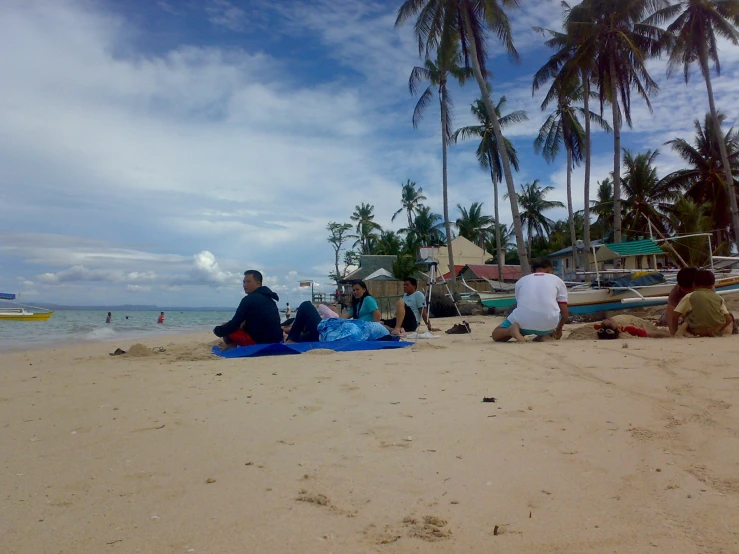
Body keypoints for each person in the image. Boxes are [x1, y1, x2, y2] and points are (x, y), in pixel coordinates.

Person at [492, 258, 568, 343]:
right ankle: (546, 334)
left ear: (533, 270)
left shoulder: (522, 281)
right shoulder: (558, 280)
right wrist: (559, 330)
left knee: (496, 334)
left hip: (523, 323)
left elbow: (520, 303)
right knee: (556, 312)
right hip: (549, 326)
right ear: (550, 270)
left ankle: (511, 331)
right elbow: (564, 313)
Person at [213, 270, 283, 348]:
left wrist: (217, 331)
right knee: (243, 323)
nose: (245, 285)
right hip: (276, 340)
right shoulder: (270, 300)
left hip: (258, 342)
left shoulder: (248, 299)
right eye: (244, 282)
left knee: (225, 326)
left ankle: (230, 347)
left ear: (258, 284)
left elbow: (234, 324)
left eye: (249, 282)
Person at [284, 301, 389, 344]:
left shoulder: (358, 330)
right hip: (321, 334)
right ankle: (289, 337)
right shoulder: (367, 329)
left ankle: (290, 339)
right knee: (304, 337)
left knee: (306, 305)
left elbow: (345, 334)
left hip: (323, 333)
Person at [670, 270, 733, 337]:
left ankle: (679, 333)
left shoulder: (690, 296)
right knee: (722, 316)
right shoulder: (718, 298)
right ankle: (716, 331)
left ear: (694, 284)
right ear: (713, 285)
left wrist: (674, 331)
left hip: (697, 330)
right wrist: (720, 329)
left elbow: (675, 316)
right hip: (714, 329)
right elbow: (729, 319)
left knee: (688, 316)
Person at [595, 314, 671, 340]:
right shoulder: (628, 329)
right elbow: (654, 334)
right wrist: (671, 335)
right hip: (641, 322)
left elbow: (594, 326)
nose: (610, 319)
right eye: (611, 321)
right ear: (617, 329)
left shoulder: (601, 327)